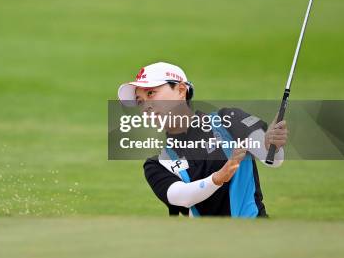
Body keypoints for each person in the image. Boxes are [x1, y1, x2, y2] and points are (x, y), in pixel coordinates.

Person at [117, 62, 288, 217]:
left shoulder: (229, 120)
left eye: (151, 93)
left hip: (255, 237)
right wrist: (218, 177)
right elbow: (181, 197)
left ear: (181, 91)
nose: (146, 106)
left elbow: (273, 159)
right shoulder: (158, 163)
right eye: (140, 102)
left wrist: (272, 144)